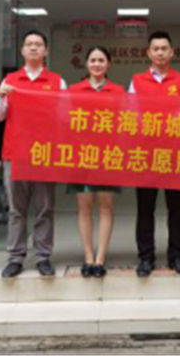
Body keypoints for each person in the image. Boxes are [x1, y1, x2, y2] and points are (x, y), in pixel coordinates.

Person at [0, 30, 67, 278]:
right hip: (16, 154)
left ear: (46, 51)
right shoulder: (10, 80)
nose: (33, 48)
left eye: (38, 44)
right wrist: (1, 96)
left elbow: (65, 117)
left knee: (44, 208)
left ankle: (43, 257)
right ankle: (15, 257)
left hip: (45, 155)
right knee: (16, 210)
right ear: (23, 50)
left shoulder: (57, 82)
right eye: (29, 44)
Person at [128, 30, 180, 277]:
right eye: (155, 49)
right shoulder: (137, 80)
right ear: (148, 53)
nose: (160, 53)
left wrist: (161, 126)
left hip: (175, 154)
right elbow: (132, 113)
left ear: (172, 52)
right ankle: (146, 257)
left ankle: (177, 256)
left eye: (164, 48)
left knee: (177, 209)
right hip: (145, 154)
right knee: (145, 208)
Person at [68, 46, 124, 278]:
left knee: (106, 206)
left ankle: (100, 258)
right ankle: (88, 257)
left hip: (108, 155)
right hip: (81, 155)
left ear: (108, 64)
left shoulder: (118, 91)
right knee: (84, 207)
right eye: (93, 60)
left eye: (101, 60)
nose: (97, 64)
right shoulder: (74, 90)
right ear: (87, 64)